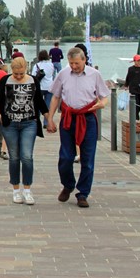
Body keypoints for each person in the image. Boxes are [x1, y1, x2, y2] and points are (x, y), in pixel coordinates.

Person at [46, 47, 110, 208]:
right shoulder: (63, 74)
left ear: (84, 60)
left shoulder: (94, 75)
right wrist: (50, 118)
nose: (74, 66)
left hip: (87, 118)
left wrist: (101, 104)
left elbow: (104, 96)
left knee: (87, 159)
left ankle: (83, 193)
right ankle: (68, 184)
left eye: (76, 63)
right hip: (68, 118)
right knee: (66, 157)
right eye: (71, 63)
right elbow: (56, 97)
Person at [0, 57, 49, 205]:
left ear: (26, 70)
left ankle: (27, 190)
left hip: (29, 123)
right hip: (9, 124)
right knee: (14, 157)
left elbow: (40, 102)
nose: (18, 77)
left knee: (27, 156)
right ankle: (16, 190)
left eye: (21, 74)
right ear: (11, 70)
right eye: (16, 74)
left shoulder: (33, 81)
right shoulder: (5, 82)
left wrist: (49, 119)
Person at [32, 49, 55, 127]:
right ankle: (46, 122)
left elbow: (33, 76)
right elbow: (52, 74)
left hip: (40, 87)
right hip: (49, 86)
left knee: (38, 104)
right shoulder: (51, 64)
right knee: (47, 105)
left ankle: (37, 121)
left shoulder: (37, 65)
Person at [124, 54, 140, 121]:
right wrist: (126, 85)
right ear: (134, 61)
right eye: (137, 61)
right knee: (135, 103)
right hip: (133, 88)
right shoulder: (131, 69)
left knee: (139, 104)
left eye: (139, 61)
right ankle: (135, 117)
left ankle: (136, 114)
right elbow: (128, 78)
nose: (138, 62)